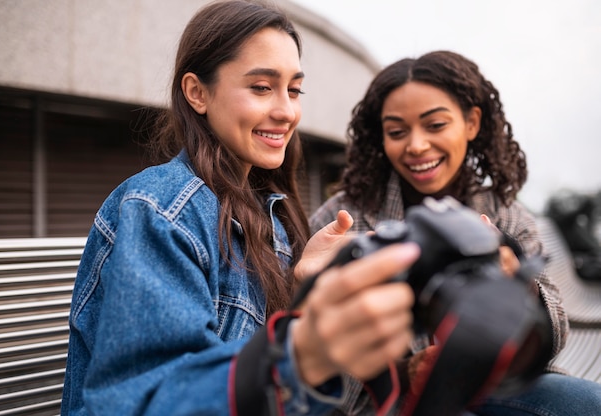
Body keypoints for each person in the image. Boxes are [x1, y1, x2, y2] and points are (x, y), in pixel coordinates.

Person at [61, 1, 419, 415]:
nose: (287, 110)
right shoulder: (160, 210)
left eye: (295, 89)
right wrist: (304, 350)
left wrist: (307, 287)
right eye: (262, 87)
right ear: (197, 93)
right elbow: (144, 403)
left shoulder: (272, 219)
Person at [309, 50, 601, 415]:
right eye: (397, 132)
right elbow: (314, 347)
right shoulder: (344, 217)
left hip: (493, 385)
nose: (416, 145)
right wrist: (402, 370)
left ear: (472, 123)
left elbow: (553, 332)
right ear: (380, 137)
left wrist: (519, 287)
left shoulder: (503, 214)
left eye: (435, 125)